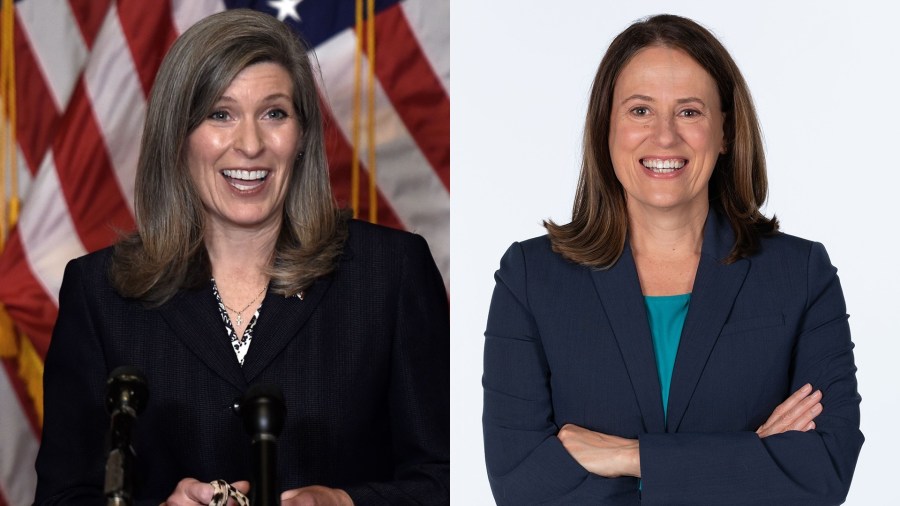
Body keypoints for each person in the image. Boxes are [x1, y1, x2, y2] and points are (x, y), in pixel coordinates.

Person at [33, 9, 449, 506]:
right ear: (178, 135)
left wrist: (345, 502)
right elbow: (62, 496)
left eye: (274, 113)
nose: (250, 144)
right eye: (220, 114)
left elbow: (445, 478)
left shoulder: (390, 273)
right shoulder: (100, 291)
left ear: (302, 136)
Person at [482, 14, 862, 505]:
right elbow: (520, 484)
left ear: (725, 131)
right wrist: (747, 458)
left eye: (689, 112)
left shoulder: (800, 274)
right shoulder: (530, 278)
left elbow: (822, 474)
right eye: (640, 110)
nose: (664, 137)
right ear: (606, 129)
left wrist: (632, 457)